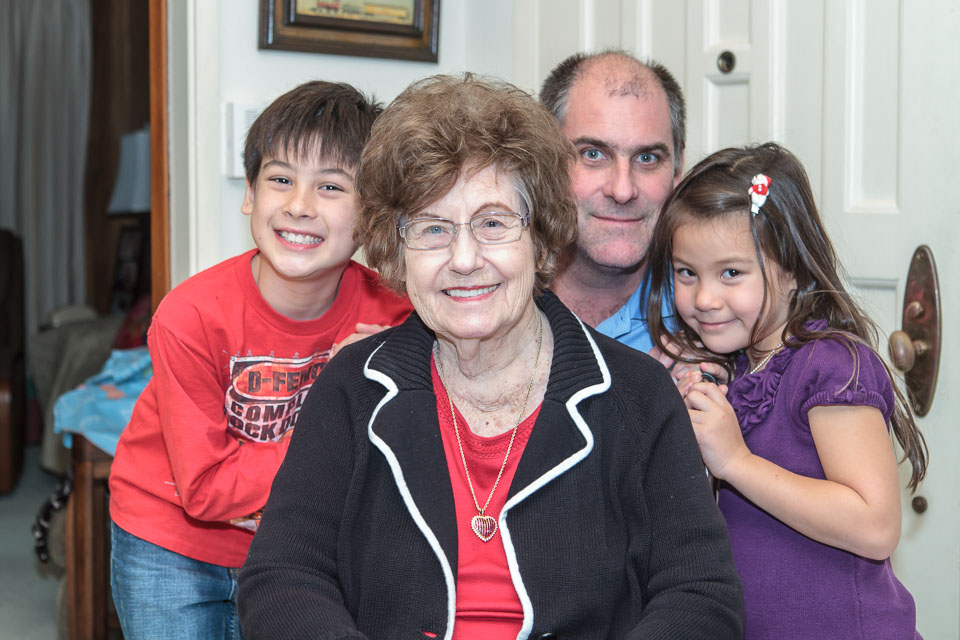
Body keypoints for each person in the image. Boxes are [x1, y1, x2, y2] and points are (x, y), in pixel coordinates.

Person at [237, 73, 743, 640]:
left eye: (494, 224)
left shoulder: (638, 396)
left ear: (542, 237)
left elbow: (700, 595)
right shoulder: (353, 388)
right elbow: (282, 576)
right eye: (432, 229)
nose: (464, 259)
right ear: (396, 250)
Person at [107, 80, 412, 639]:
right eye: (280, 180)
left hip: (298, 546)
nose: (299, 206)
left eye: (331, 187)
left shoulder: (396, 317)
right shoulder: (190, 316)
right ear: (250, 192)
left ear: (371, 214)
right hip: (169, 539)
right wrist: (338, 392)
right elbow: (204, 489)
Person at [645, 142, 928, 638]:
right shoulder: (735, 368)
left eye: (731, 273)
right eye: (687, 272)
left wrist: (736, 461)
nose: (704, 298)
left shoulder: (830, 365)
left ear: (793, 270)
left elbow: (876, 526)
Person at [540, 50, 684, 354]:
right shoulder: (490, 305)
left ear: (677, 169)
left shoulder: (716, 321)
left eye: (647, 158)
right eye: (593, 154)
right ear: (544, 160)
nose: (622, 190)